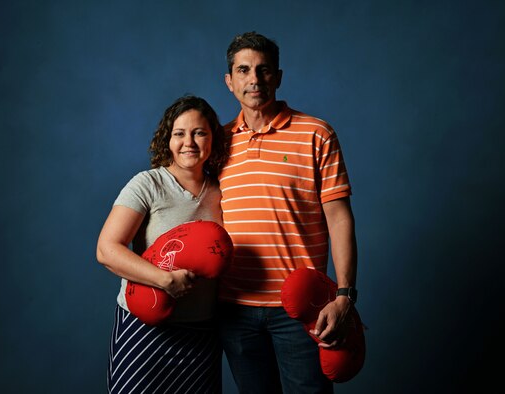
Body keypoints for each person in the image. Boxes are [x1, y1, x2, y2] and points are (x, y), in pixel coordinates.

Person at [218, 31, 359, 393]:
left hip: (299, 309)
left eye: (264, 70)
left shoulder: (316, 134)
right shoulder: (216, 143)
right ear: (229, 81)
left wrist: (344, 295)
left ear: (278, 77)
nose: (254, 79)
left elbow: (339, 218)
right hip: (234, 310)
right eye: (244, 70)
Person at [96, 95, 229, 394]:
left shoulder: (223, 192)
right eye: (179, 134)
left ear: (212, 138)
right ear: (167, 140)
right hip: (145, 329)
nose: (189, 143)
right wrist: (164, 280)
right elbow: (106, 249)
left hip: (201, 336)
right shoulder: (147, 184)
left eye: (199, 133)